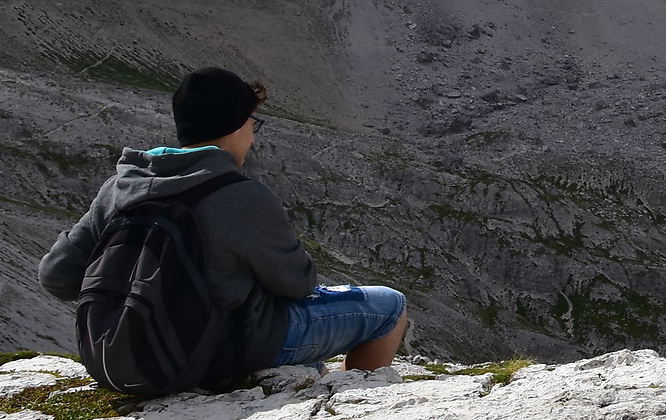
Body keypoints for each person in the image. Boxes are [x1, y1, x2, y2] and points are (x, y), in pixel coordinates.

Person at [40, 66, 409, 380]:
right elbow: (298, 283)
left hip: (122, 359)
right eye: (252, 124)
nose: (252, 137)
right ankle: (350, 404)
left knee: (309, 365)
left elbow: (55, 274)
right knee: (391, 307)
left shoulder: (121, 187)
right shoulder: (242, 197)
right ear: (234, 126)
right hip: (220, 354)